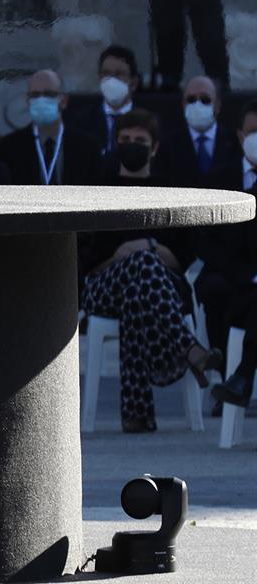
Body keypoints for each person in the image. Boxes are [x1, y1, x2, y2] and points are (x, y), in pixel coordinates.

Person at [80, 109, 222, 432]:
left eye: (139, 141)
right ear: (115, 144)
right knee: (141, 267)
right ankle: (188, 348)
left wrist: (148, 247)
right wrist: (120, 256)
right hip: (103, 288)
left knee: (140, 281)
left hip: (157, 290)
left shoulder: (169, 192)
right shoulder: (96, 192)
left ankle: (137, 414)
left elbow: (183, 259)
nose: (132, 146)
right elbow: (85, 262)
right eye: (125, 140)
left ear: (154, 148)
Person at [196, 100, 257, 387]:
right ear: (241, 135)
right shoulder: (220, 177)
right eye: (253, 130)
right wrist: (238, 271)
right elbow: (204, 237)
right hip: (228, 270)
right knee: (214, 289)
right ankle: (225, 376)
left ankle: (242, 378)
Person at [0, 70, 102, 185]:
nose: (41, 100)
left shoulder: (88, 146)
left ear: (64, 101)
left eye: (49, 94)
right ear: (28, 101)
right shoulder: (8, 148)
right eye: (35, 95)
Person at [156, 75, 235, 187]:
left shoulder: (234, 144)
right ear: (183, 105)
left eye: (205, 100)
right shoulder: (167, 145)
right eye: (191, 100)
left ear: (217, 106)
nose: (197, 105)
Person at [67, 46, 141, 156]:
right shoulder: (80, 123)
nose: (111, 80)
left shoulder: (148, 123)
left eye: (118, 74)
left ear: (133, 83)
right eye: (106, 74)